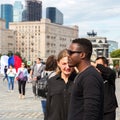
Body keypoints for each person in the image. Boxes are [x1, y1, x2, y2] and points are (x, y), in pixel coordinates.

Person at [67, 38, 104, 120]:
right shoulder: (83, 74)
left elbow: (91, 112)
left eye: (71, 53)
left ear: (82, 55)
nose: (68, 56)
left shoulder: (90, 77)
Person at [44, 49, 77, 120]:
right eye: (64, 64)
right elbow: (48, 107)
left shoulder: (79, 80)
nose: (67, 67)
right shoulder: (52, 81)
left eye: (70, 63)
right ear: (58, 63)